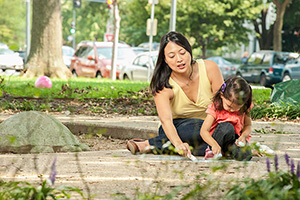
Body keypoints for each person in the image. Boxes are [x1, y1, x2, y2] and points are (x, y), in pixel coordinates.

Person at [126, 31, 224, 158]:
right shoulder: (163, 84)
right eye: (172, 56)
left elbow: (223, 104)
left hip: (211, 125)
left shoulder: (210, 68)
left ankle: (151, 145)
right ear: (165, 60)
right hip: (179, 128)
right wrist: (178, 143)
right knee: (198, 130)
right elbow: (166, 120)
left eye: (182, 53)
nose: (179, 59)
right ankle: (163, 144)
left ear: (189, 51)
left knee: (218, 135)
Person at [200, 76, 253, 161]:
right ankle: (212, 151)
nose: (232, 110)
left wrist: (243, 137)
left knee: (245, 156)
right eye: (229, 106)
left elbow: (248, 125)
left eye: (237, 107)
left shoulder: (245, 108)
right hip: (217, 140)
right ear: (222, 96)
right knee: (227, 127)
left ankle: (229, 152)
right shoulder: (215, 108)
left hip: (234, 140)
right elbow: (203, 131)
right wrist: (213, 144)